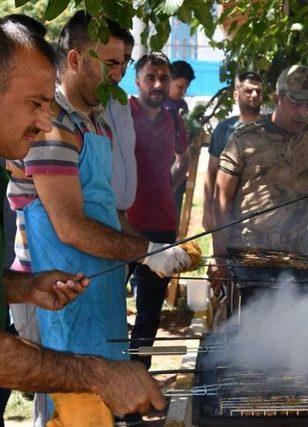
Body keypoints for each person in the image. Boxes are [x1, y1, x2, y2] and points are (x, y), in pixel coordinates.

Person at [0, 19, 166, 427]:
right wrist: (99, 374)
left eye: (49, 104)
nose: (47, 122)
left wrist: (25, 286)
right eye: (35, 103)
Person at [6, 13, 196, 424]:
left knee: (102, 409)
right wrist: (146, 252)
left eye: (125, 61)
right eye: (109, 62)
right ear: (74, 59)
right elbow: (70, 226)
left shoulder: (96, 121)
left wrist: (159, 248)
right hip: (53, 292)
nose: (120, 72)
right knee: (67, 413)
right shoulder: (51, 125)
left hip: (99, 288)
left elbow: (107, 213)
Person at [211, 65, 308, 263]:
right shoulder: (245, 140)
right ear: (277, 99)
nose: (303, 113)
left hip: (298, 253)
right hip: (250, 253)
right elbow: (222, 201)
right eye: (295, 104)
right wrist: (219, 258)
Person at [126, 52, 193, 369]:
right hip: (123, 224)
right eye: (150, 77)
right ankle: (113, 378)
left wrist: (167, 186)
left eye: (164, 78)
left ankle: (138, 375)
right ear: (137, 80)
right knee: (111, 304)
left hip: (162, 225)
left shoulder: (174, 120)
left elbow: (185, 159)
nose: (157, 83)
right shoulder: (122, 113)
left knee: (150, 310)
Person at [202, 71, 263, 230]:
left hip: (260, 216)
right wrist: (207, 211)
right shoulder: (224, 129)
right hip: (227, 214)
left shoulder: (270, 128)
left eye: (258, 91)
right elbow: (211, 172)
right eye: (249, 91)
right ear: (236, 95)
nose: (254, 95)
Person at [104, 31, 138, 216]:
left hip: (119, 214)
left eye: (125, 60)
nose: (120, 70)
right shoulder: (88, 101)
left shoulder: (121, 100)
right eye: (113, 62)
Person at [166, 60, 194, 223]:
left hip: (176, 173)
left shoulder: (180, 107)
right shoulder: (159, 106)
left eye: (186, 88)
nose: (183, 92)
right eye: (180, 86)